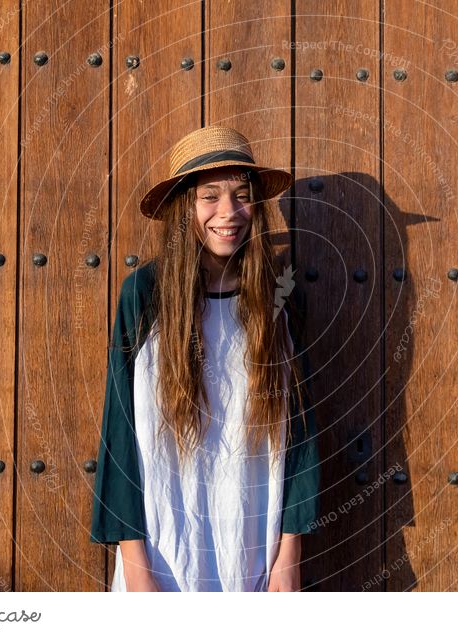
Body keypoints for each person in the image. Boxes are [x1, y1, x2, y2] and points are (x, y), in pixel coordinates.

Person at [89, 125, 321, 592]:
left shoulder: (279, 296)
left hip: (254, 551)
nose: (228, 213)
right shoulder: (144, 296)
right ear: (183, 209)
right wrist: (135, 564)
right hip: (166, 554)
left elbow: (299, 434)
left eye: (240, 194)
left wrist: (289, 556)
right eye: (209, 196)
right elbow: (121, 431)